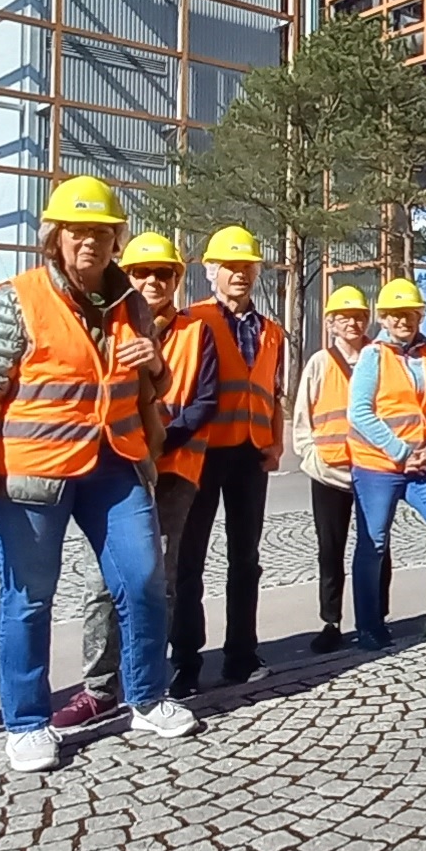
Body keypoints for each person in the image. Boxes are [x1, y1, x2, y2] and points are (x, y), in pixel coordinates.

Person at [0, 176, 196, 775]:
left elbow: (150, 387)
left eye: (102, 233)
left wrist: (156, 364)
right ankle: (27, 724)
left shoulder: (131, 301)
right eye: (78, 232)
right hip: (32, 474)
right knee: (28, 599)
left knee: (143, 579)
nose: (90, 242)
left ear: (115, 240)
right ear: (55, 237)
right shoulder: (17, 298)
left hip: (116, 461)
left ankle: (147, 698)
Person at [51, 231, 218, 730]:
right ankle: (100, 689)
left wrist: (161, 440)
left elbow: (205, 400)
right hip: (113, 469)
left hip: (173, 471)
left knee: (155, 581)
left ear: (176, 279)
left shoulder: (196, 331)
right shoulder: (109, 320)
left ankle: (147, 685)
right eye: (142, 273)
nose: (152, 281)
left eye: (162, 273)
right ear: (127, 274)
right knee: (100, 582)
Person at [171, 225, 284, 697]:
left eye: (247, 266)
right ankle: (185, 662)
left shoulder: (271, 331)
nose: (240, 273)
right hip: (202, 453)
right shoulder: (191, 321)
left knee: (246, 559)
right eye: (231, 266)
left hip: (250, 454)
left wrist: (275, 443)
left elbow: (273, 393)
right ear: (211, 271)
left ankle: (242, 654)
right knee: (188, 560)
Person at [347, 278, 426, 646]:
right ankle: (369, 625)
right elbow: (360, 413)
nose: (403, 320)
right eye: (396, 314)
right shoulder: (373, 356)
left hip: (424, 464)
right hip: (378, 466)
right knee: (374, 542)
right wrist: (402, 452)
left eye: (410, 314)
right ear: (384, 318)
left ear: (420, 316)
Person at [291, 285, 392, 652]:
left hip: (373, 471)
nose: (353, 323)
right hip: (329, 472)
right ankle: (330, 621)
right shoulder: (320, 363)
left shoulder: (380, 358)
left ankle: (376, 618)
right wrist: (311, 456)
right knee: (330, 550)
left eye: (359, 316)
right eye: (344, 317)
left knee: (377, 548)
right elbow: (303, 416)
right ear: (331, 323)